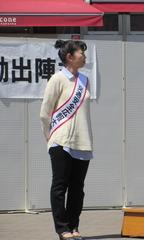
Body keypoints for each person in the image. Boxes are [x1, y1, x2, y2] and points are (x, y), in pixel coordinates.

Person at [40, 40, 93, 240]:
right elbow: (45, 112)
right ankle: (62, 229)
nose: (84, 56)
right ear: (69, 57)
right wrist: (49, 136)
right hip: (61, 141)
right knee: (60, 185)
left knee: (78, 188)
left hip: (83, 140)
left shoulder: (85, 80)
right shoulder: (57, 79)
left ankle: (74, 226)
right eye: (81, 53)